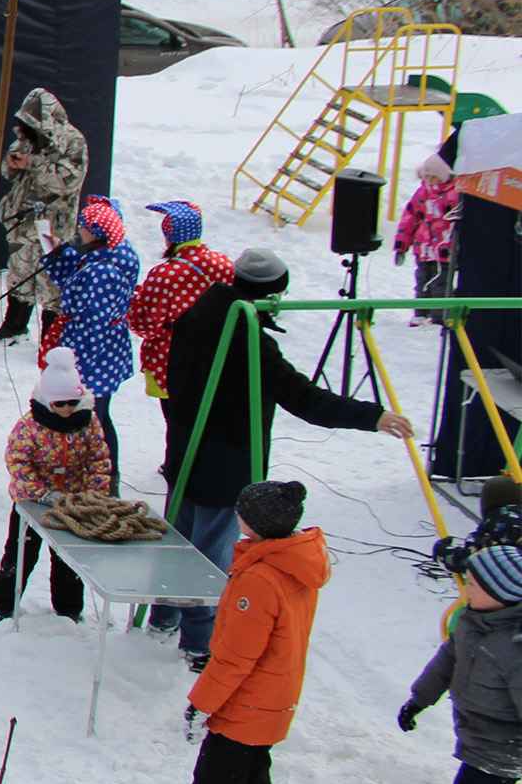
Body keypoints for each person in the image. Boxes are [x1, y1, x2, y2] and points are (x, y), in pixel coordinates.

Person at [160, 247, 406, 664]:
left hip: (185, 441)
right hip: (227, 453)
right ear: (270, 295)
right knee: (210, 550)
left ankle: (162, 615)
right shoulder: (248, 338)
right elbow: (303, 398)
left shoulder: (198, 313)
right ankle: (200, 641)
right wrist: (371, 416)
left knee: (179, 537)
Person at [176, 481, 332, 784]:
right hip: (274, 700)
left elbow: (235, 656)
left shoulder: (261, 578)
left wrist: (202, 702)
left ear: (255, 523)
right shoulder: (294, 562)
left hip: (245, 706)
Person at [399, 533, 522, 784]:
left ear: (500, 592)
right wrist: (419, 700)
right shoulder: (473, 621)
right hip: (477, 737)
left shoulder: (515, 646)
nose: (464, 587)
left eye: (472, 584)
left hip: (502, 748)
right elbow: (447, 660)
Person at [0, 351, 107, 623]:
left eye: (72, 402)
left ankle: (69, 608)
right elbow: (18, 461)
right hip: (31, 502)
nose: (67, 409)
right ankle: (4, 604)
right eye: (60, 403)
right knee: (19, 556)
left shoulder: (88, 423)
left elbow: (98, 458)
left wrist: (92, 494)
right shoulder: (30, 426)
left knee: (69, 559)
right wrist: (41, 492)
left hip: (72, 502)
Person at [35, 199, 141, 473]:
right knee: (97, 415)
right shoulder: (105, 253)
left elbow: (95, 324)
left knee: (95, 417)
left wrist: (76, 368)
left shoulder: (102, 273)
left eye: (84, 226)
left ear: (98, 232)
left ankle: (105, 473)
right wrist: (59, 252)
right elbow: (76, 278)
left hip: (95, 355)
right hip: (106, 351)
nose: (79, 230)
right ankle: (99, 470)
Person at [0, 87, 90, 341]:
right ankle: (15, 325)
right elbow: (9, 173)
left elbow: (66, 181)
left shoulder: (73, 142)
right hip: (24, 219)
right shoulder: (26, 138)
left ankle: (52, 335)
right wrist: (13, 163)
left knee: (51, 279)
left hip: (53, 225)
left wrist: (33, 164)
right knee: (20, 271)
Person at [129, 201, 234, 407]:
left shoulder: (165, 275)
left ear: (169, 237)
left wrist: (135, 302)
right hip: (219, 356)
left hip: (173, 363)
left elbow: (146, 326)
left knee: (180, 428)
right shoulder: (225, 265)